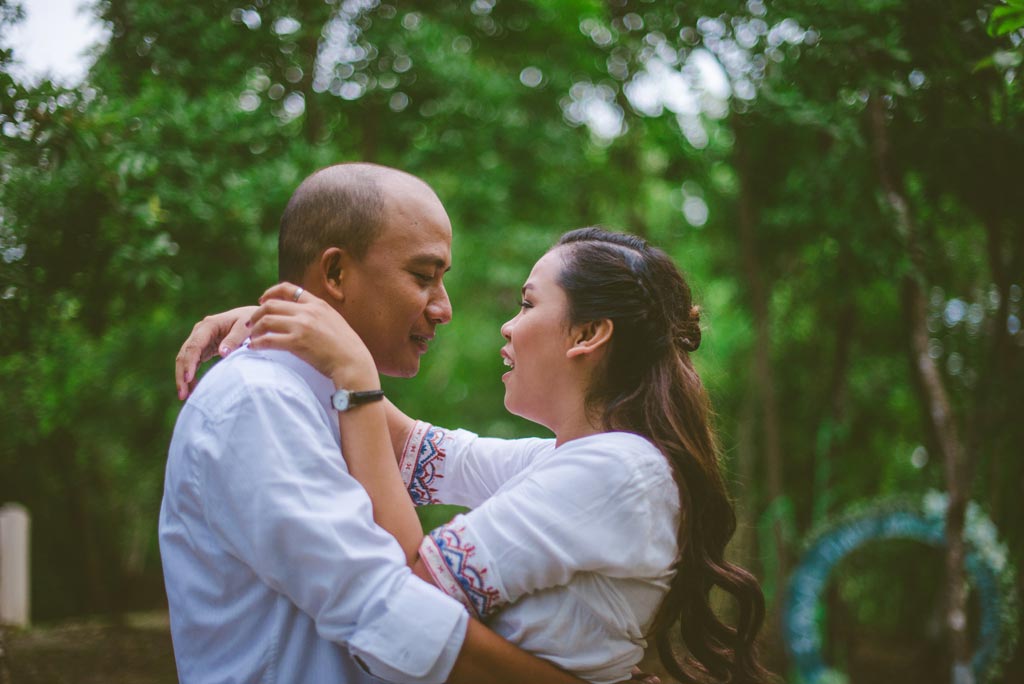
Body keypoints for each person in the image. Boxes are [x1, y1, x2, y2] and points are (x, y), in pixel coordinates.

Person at [180, 226, 771, 683]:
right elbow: (416, 448)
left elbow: (412, 590)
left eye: (528, 304)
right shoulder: (571, 463)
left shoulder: (620, 470)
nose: (508, 328)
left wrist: (356, 377)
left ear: (588, 334)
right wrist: (284, 327)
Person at [160, 162, 592, 684]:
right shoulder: (259, 402)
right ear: (337, 273)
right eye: (423, 276)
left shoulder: (327, 394)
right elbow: (388, 614)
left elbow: (450, 459)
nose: (443, 309)